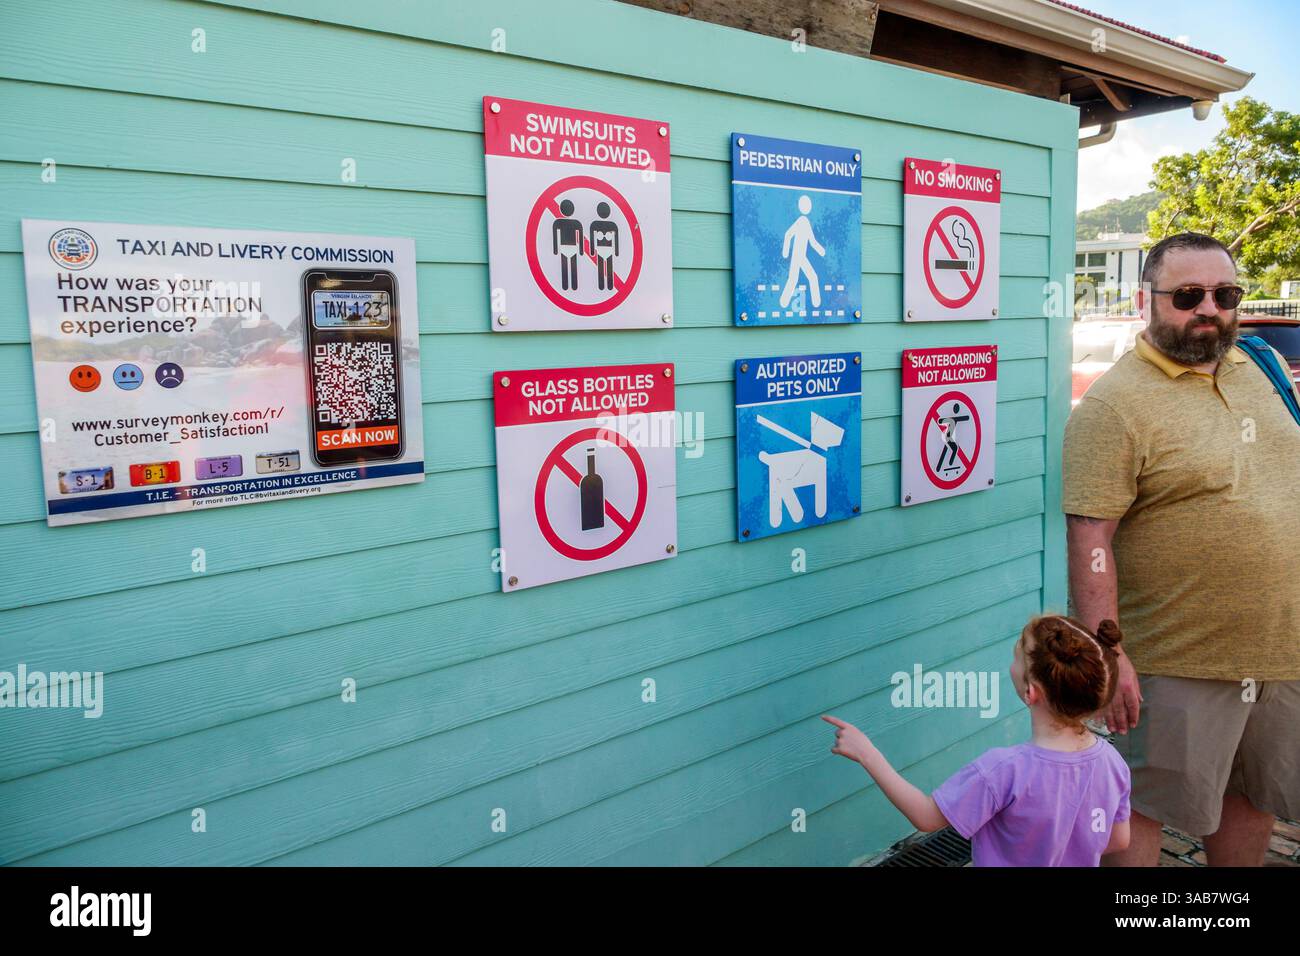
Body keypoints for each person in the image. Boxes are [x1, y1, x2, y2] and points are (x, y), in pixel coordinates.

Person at [1063, 232, 1300, 866]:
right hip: (1178, 658)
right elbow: (1090, 541)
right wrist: (1109, 654)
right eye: (1188, 295)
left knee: (1252, 794)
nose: (1209, 310)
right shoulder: (1113, 408)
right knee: (1142, 807)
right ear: (1148, 299)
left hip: (1279, 650)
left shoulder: (1262, 368)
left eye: (1224, 295)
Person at [823, 616, 1131, 866]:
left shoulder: (1004, 769)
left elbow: (927, 817)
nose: (1013, 660)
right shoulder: (1112, 763)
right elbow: (1118, 840)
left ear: (1030, 692)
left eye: (1017, 656)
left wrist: (867, 753)